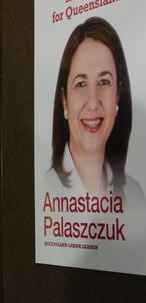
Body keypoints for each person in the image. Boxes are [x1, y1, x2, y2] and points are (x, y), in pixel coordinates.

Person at [45, 16, 144, 206]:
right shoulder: (44, 193)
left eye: (104, 82)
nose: (93, 102)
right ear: (64, 100)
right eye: (81, 84)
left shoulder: (135, 196)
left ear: (117, 95)